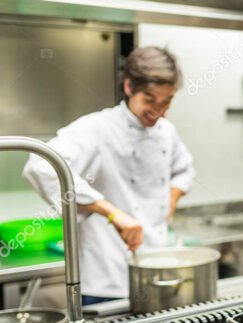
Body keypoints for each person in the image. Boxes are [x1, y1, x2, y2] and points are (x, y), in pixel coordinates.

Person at [23, 46, 194, 304]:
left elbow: (184, 169)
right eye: (149, 99)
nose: (158, 111)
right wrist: (113, 213)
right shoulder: (98, 127)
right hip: (105, 275)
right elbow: (40, 165)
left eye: (166, 101)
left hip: (156, 264)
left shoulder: (167, 131)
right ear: (129, 87)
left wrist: (169, 203)